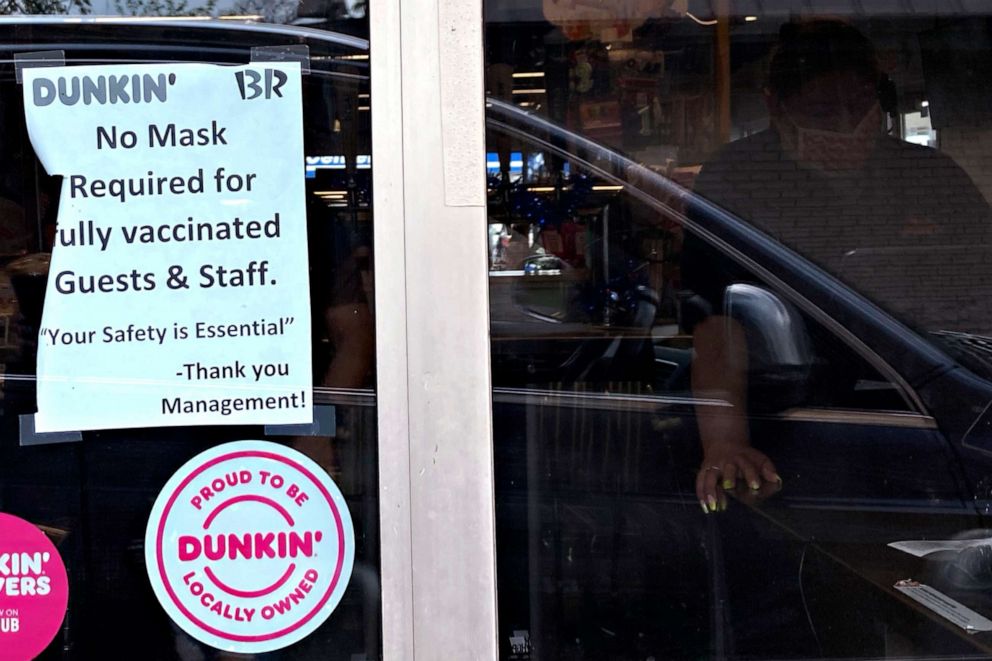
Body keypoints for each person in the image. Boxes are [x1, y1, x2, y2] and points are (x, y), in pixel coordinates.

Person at [684, 19, 992, 512]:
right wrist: (724, 442)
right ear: (775, 107)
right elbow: (716, 323)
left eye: (861, 105)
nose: (847, 124)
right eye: (823, 110)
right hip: (794, 417)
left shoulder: (931, 177)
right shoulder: (736, 178)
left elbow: (983, 290)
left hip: (938, 408)